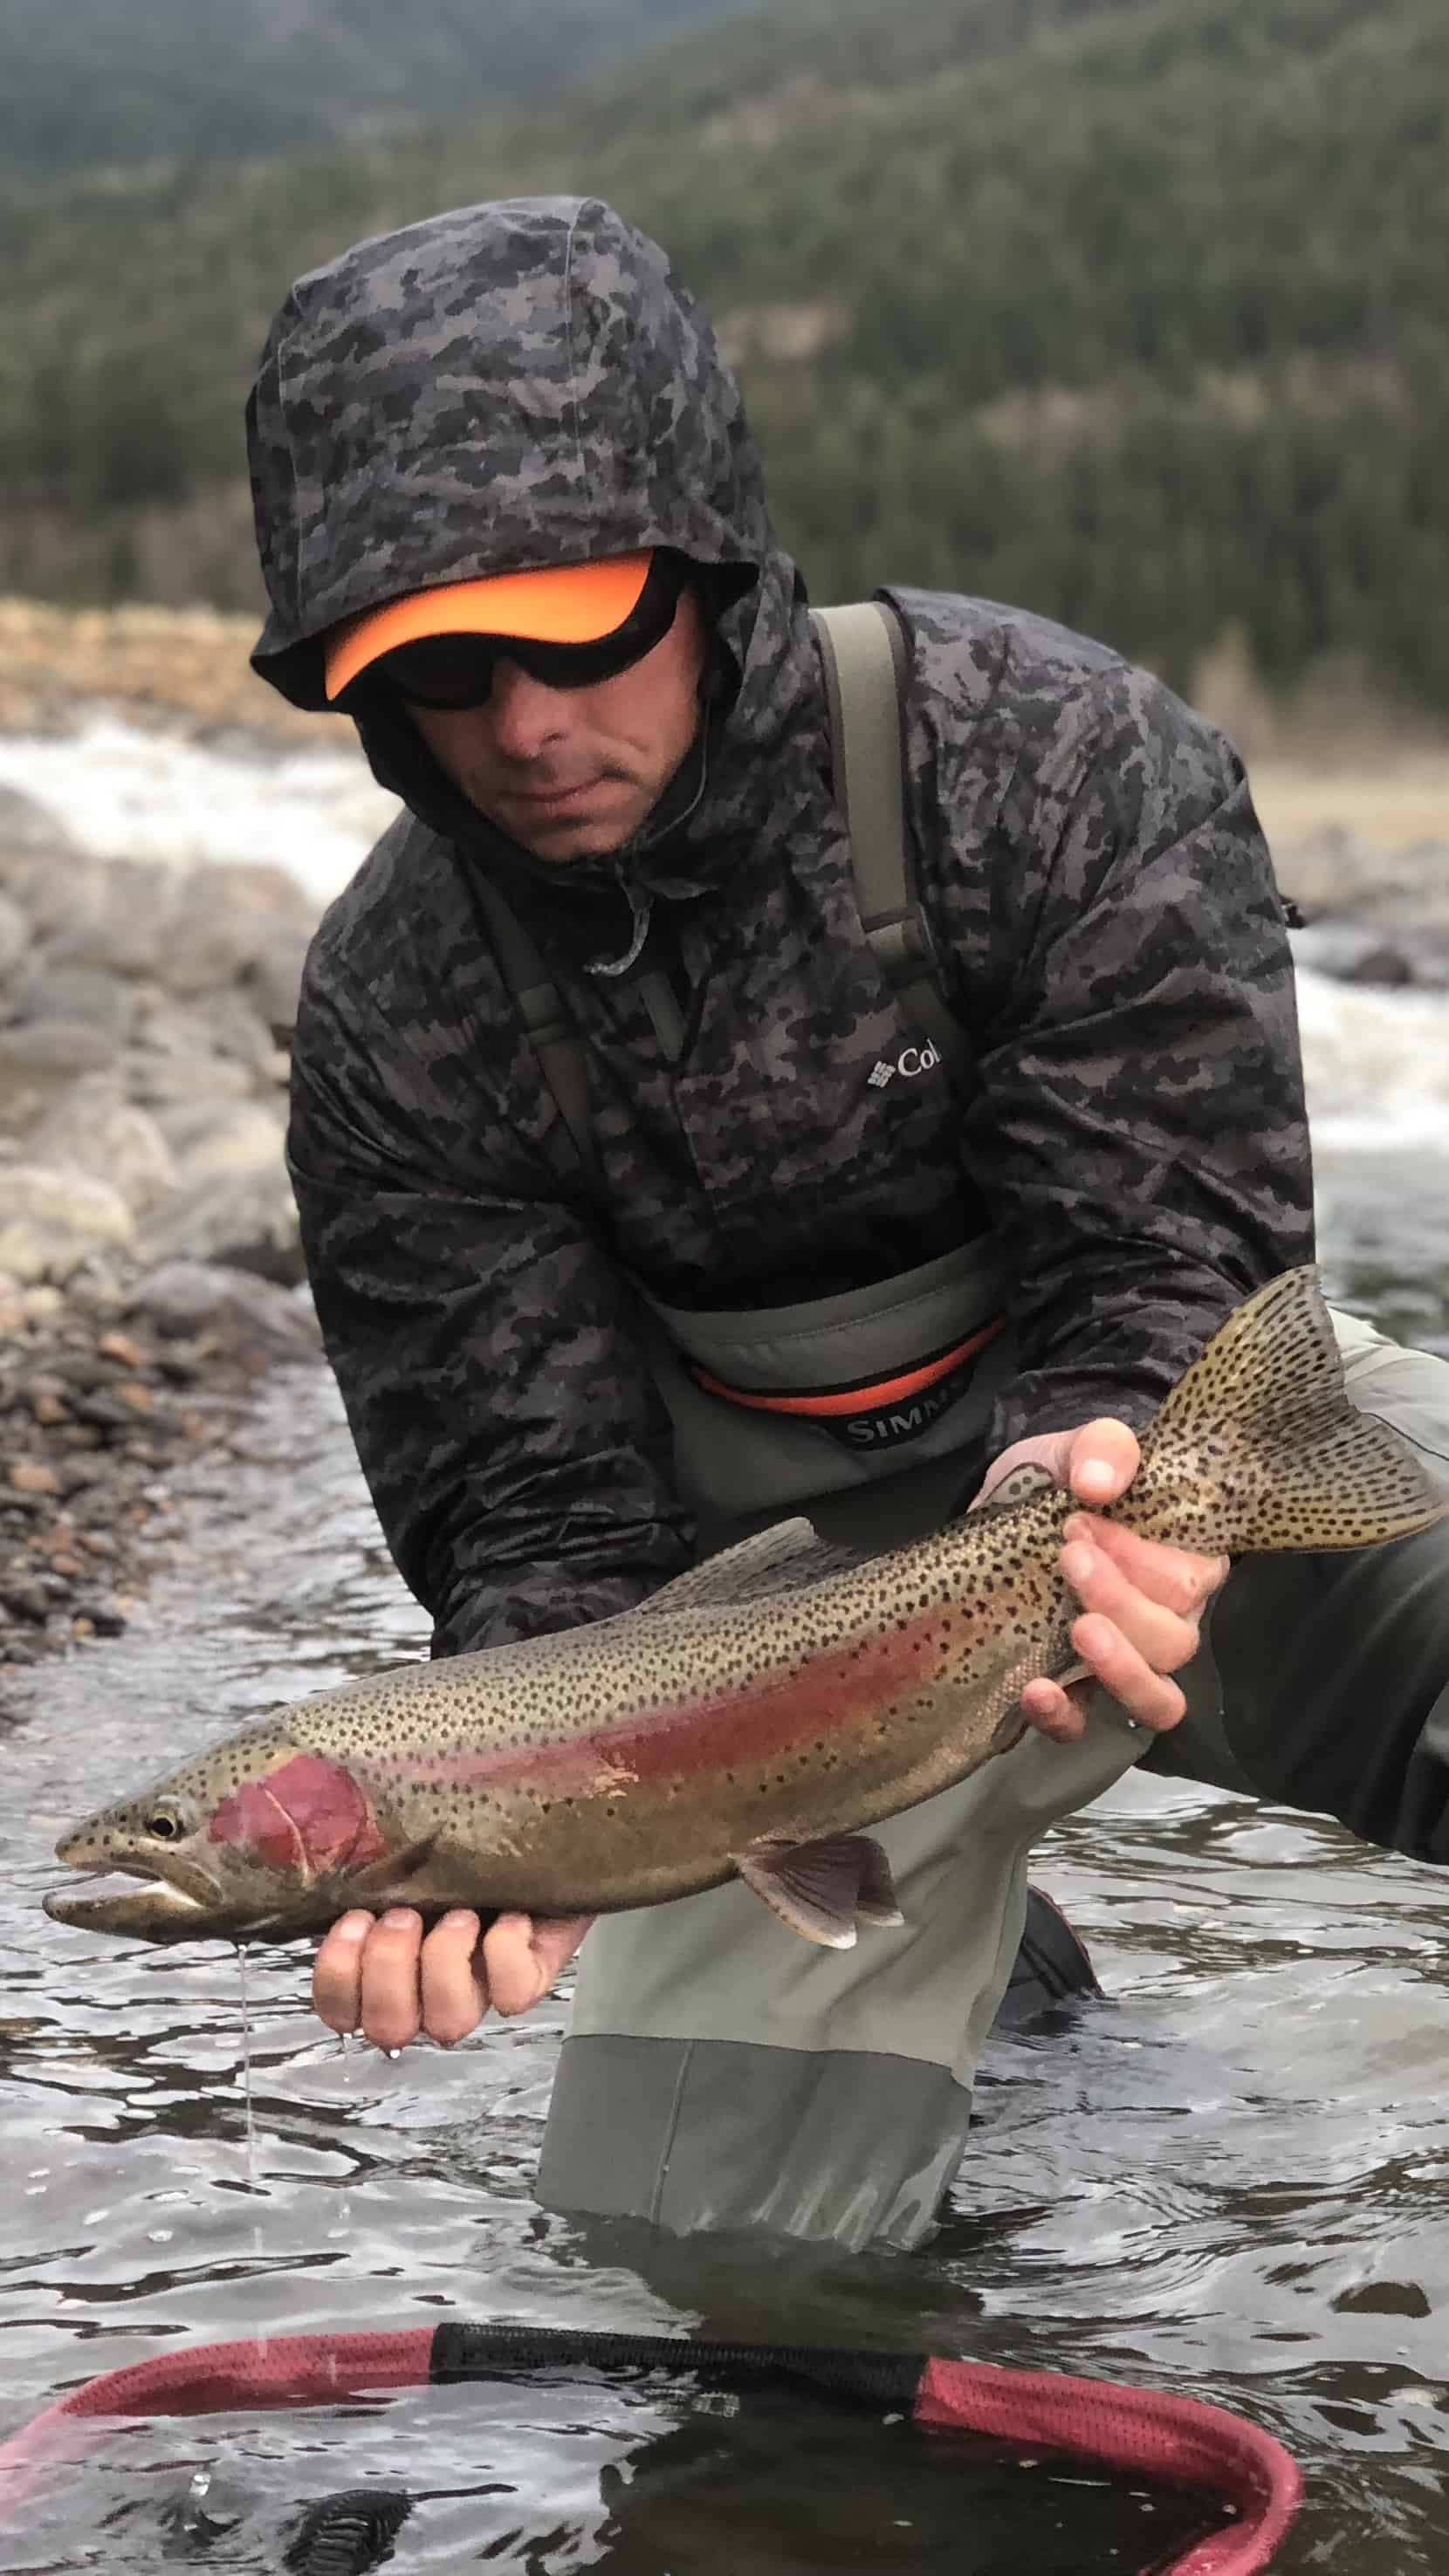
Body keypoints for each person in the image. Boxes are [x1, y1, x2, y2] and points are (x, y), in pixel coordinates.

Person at [246, 195, 1449, 2252]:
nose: (525, 725)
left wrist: (1111, 1472)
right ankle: (980, 1959)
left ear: (709, 569)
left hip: (1139, 1497)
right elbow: (538, 1540)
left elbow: (1167, 1271)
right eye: (442, 671)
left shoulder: (1050, 758)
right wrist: (499, 1850)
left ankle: (989, 1942)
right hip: (743, 1684)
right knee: (707, 2283)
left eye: (579, 633)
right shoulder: (395, 1004)